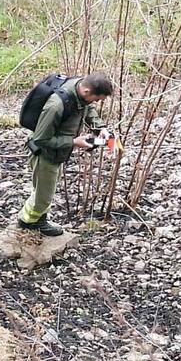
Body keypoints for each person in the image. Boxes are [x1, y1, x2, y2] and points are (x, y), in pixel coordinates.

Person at [19, 72, 114, 237]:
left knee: (45, 190)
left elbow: (88, 107)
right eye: (97, 99)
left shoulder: (79, 88)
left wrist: (100, 127)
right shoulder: (56, 105)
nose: (96, 103)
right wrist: (73, 142)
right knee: (43, 196)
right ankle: (29, 222)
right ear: (86, 92)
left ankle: (36, 218)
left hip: (57, 153)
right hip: (45, 155)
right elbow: (41, 139)